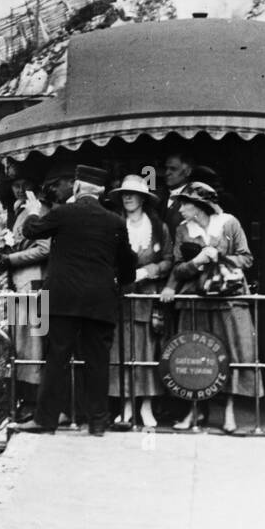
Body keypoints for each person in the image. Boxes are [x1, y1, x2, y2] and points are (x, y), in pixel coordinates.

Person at [17, 164, 138, 436]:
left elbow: (31, 231)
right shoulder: (115, 222)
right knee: (98, 361)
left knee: (57, 359)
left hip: (62, 299)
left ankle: (46, 421)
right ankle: (97, 422)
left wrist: (34, 211)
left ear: (77, 188)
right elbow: (128, 264)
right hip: (100, 300)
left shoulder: (63, 213)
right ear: (103, 192)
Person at [159, 181, 262, 433]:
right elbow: (178, 267)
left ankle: (229, 413)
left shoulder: (229, 224)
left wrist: (220, 257)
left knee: (234, 353)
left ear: (199, 207)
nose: (179, 208)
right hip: (195, 300)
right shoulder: (182, 230)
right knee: (193, 354)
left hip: (229, 299)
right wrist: (197, 262)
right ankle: (195, 412)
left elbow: (246, 258)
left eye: (184, 203)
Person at [107, 174, 172, 428]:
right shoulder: (114, 225)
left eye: (133, 194)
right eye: (124, 194)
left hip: (147, 298)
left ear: (143, 198)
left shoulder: (158, 227)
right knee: (121, 350)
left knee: (146, 351)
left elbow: (169, 260)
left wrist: (149, 271)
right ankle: (125, 406)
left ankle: (146, 406)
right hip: (120, 299)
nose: (128, 198)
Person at [0, 177, 50, 407]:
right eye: (15, 185)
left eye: (24, 184)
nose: (19, 189)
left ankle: (35, 400)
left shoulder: (41, 211)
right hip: (22, 282)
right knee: (23, 341)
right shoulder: (21, 210)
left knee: (34, 341)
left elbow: (44, 249)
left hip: (35, 281)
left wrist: (11, 258)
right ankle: (26, 397)